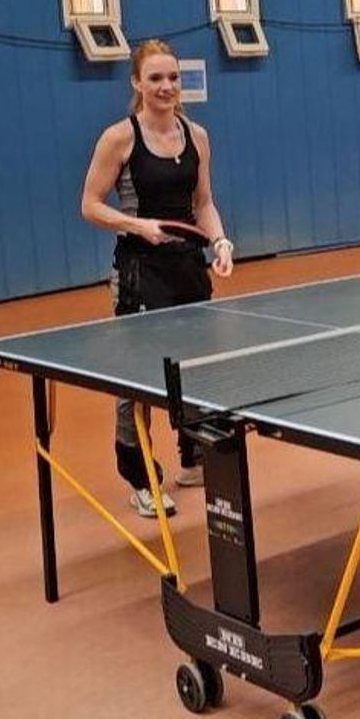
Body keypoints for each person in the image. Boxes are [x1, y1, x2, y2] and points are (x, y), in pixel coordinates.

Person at [80, 39, 235, 517]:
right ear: (137, 83)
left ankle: (193, 458)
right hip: (138, 270)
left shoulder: (197, 135)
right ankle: (140, 477)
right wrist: (136, 225)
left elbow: (203, 202)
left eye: (173, 77)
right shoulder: (119, 138)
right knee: (139, 376)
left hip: (188, 265)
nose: (166, 87)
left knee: (197, 365)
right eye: (155, 78)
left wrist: (220, 241)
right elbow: (90, 205)